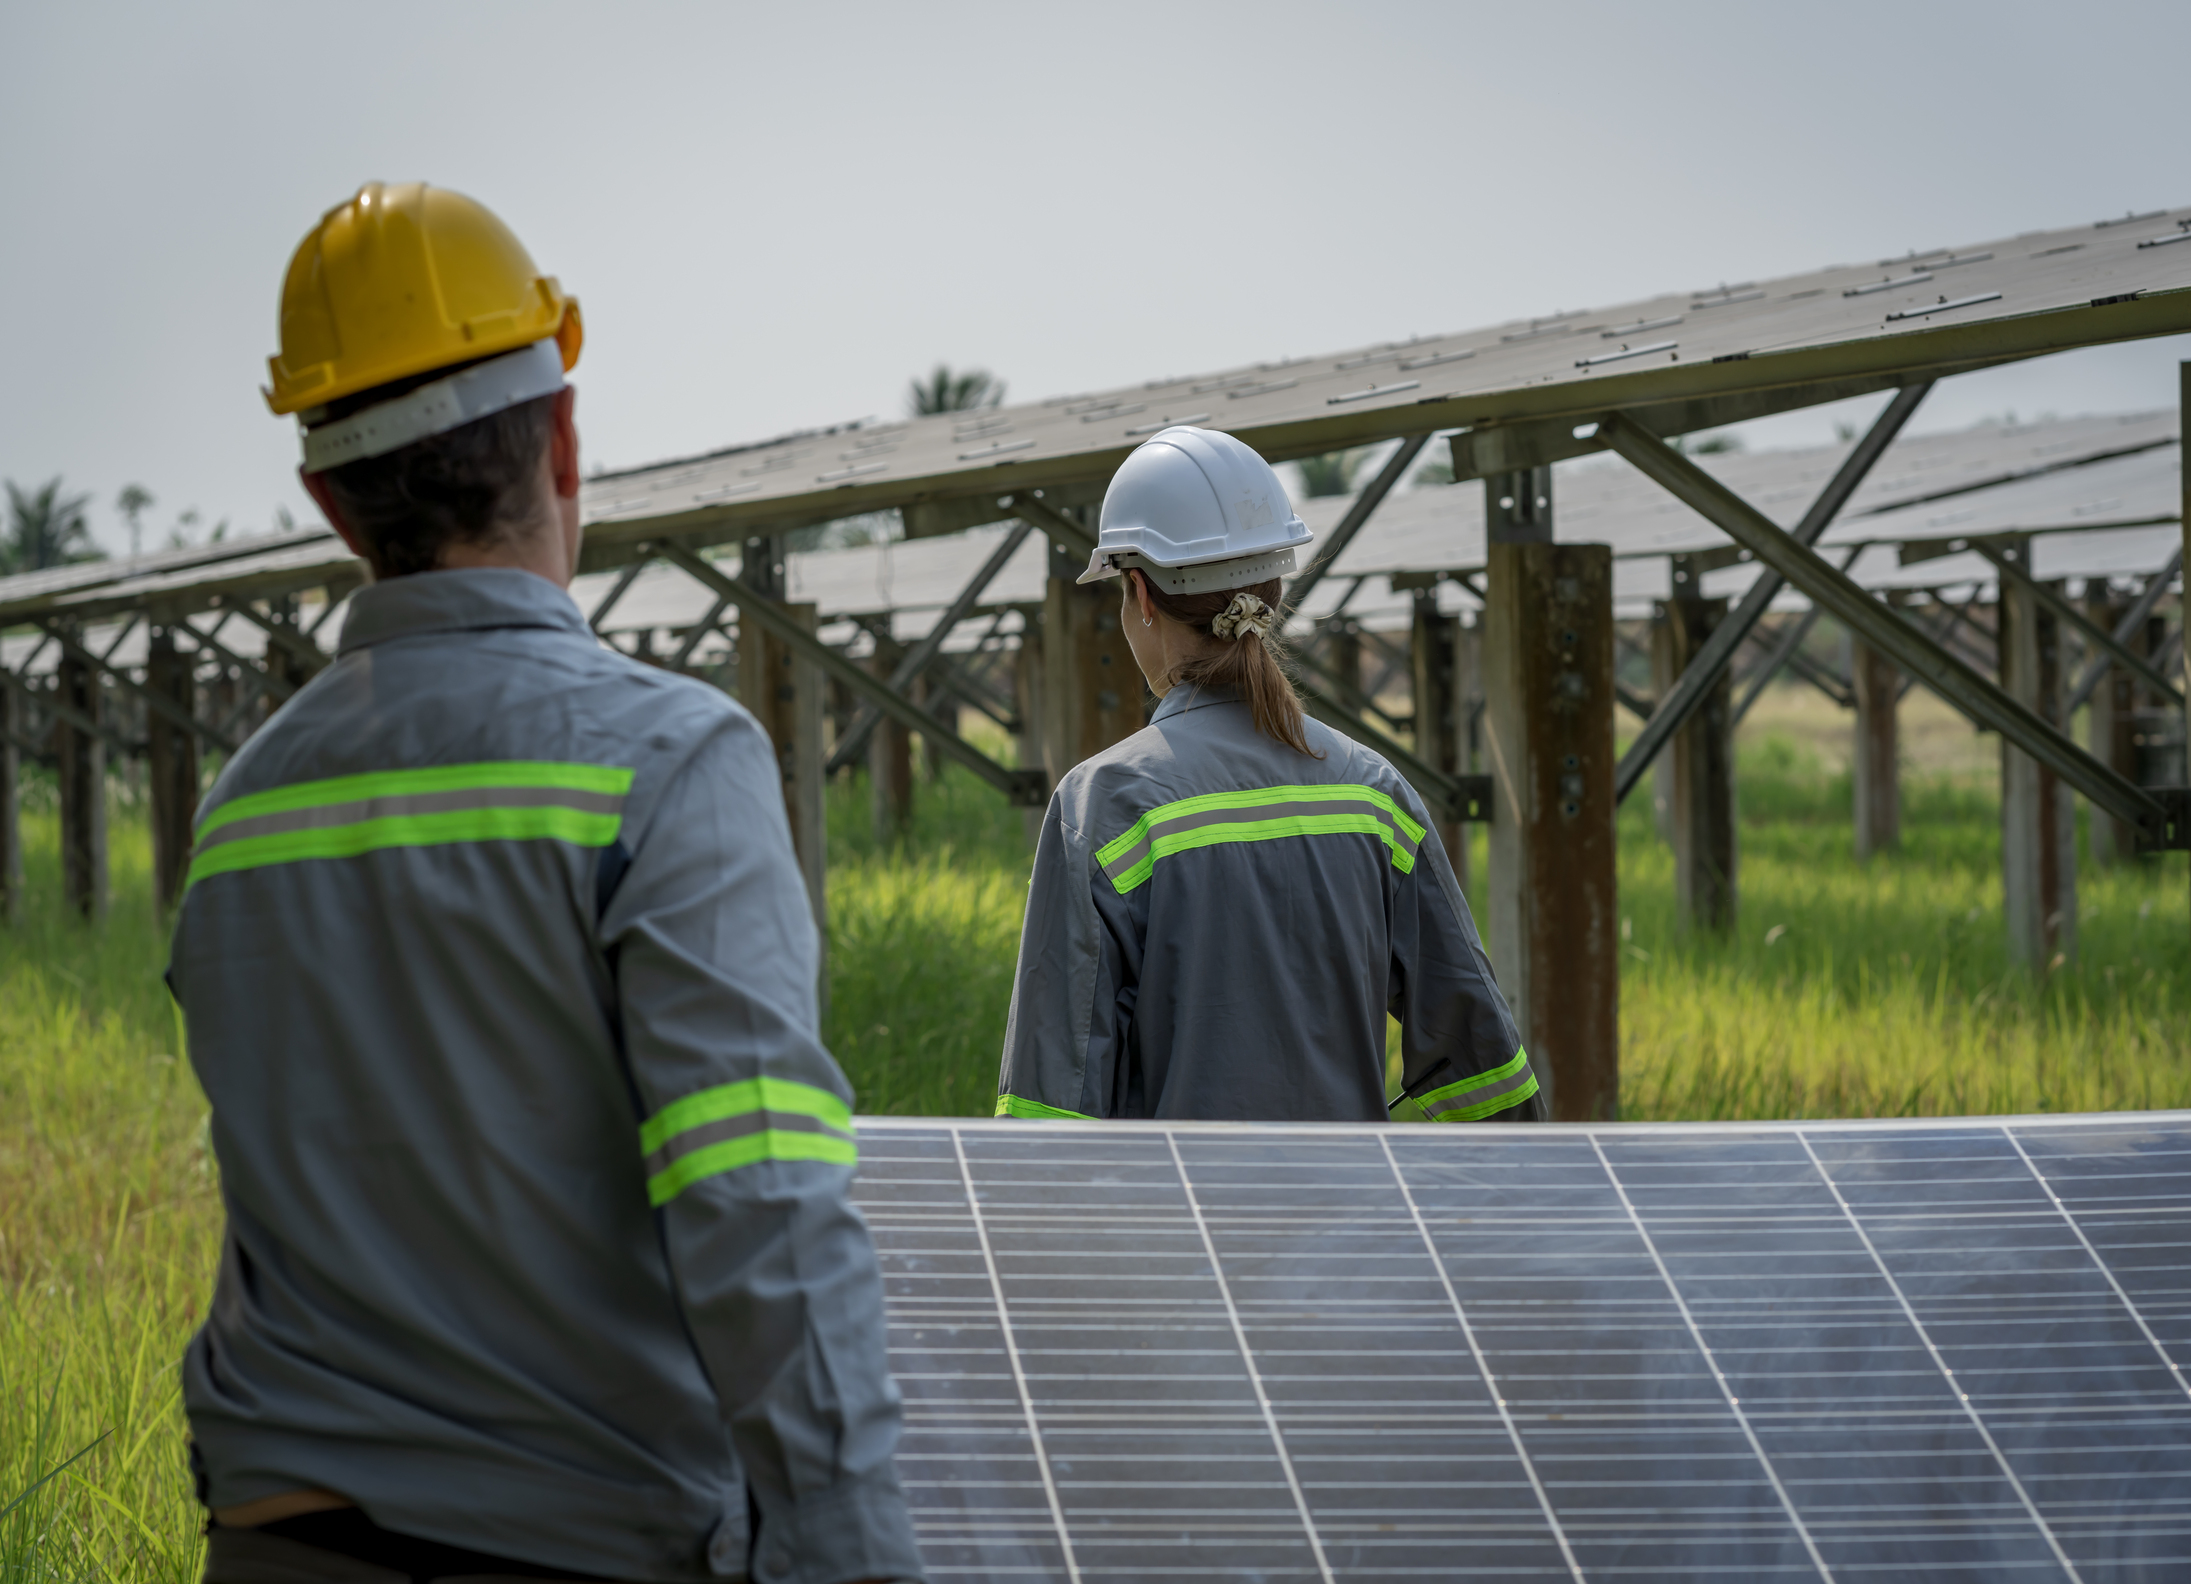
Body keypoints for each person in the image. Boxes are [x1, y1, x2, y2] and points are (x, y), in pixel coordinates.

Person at [173, 182, 921, 1584]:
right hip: (573, 1546)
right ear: (565, 438)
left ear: (331, 500)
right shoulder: (669, 765)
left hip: (274, 1546)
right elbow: (759, 1208)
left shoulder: (238, 815)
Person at [996, 426, 1545, 1124]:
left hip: (1185, 1227)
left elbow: (1053, 1107)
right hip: (1354, 1224)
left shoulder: (1104, 805)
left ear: (1138, 591)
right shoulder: (1374, 794)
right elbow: (1487, 1073)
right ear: (1275, 589)